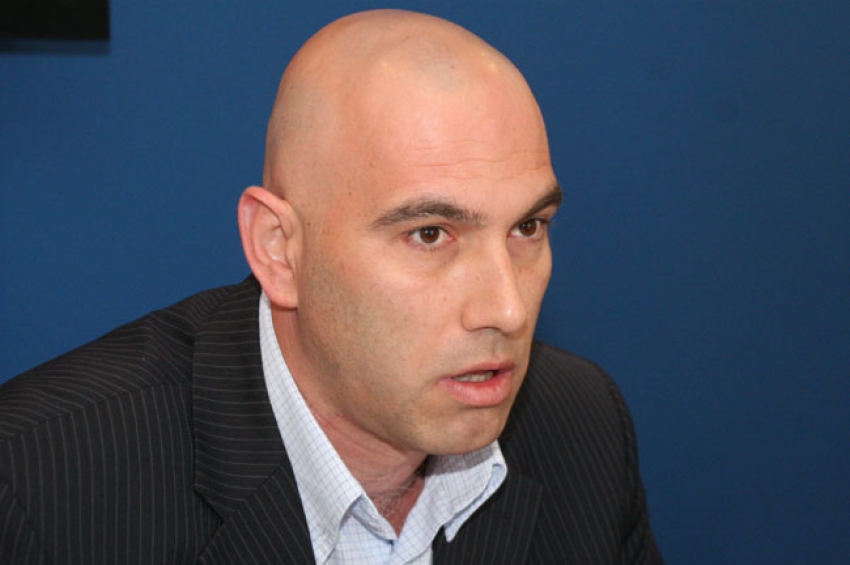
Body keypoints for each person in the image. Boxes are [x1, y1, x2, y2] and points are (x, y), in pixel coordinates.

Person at [0, 9, 663, 564]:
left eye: (528, 227)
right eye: (430, 234)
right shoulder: (41, 488)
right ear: (279, 249)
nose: (508, 308)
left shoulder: (581, 425)